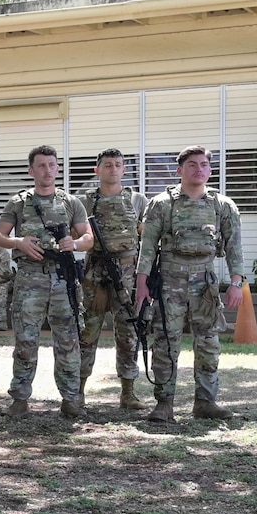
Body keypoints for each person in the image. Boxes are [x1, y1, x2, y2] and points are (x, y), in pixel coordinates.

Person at [134, 145, 245, 423]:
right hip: (169, 281)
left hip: (204, 282)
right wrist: (142, 283)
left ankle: (205, 402)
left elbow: (234, 247)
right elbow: (147, 246)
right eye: (192, 165)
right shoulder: (162, 203)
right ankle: (164, 404)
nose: (199, 170)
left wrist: (236, 282)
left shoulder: (223, 206)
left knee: (208, 343)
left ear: (210, 170)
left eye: (204, 165)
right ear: (180, 170)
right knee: (165, 343)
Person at [0, 147, 92, 418]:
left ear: (57, 168)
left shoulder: (71, 203)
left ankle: (71, 399)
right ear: (31, 171)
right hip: (29, 278)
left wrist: (75, 243)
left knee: (69, 341)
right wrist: (19, 243)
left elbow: (88, 237)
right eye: (41, 166)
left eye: (52, 165)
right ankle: (20, 399)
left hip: (63, 279)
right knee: (25, 341)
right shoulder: (19, 202)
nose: (47, 170)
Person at [76, 148, 148, 411]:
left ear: (124, 170)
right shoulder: (83, 202)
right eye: (107, 165)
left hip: (127, 275)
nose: (113, 169)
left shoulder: (137, 200)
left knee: (128, 332)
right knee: (87, 332)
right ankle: (78, 392)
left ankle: (128, 393)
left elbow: (147, 235)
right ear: (98, 170)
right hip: (95, 274)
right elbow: (77, 234)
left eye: (118, 165)